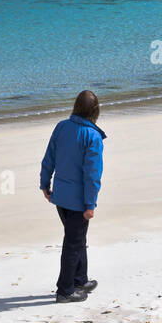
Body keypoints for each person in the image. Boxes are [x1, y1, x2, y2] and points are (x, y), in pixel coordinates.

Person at [39, 89, 105, 303]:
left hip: (61, 196)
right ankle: (65, 290)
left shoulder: (62, 127)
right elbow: (92, 174)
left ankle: (80, 279)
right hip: (77, 200)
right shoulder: (92, 136)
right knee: (73, 242)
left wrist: (44, 183)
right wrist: (90, 204)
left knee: (77, 239)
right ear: (95, 112)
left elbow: (49, 158)